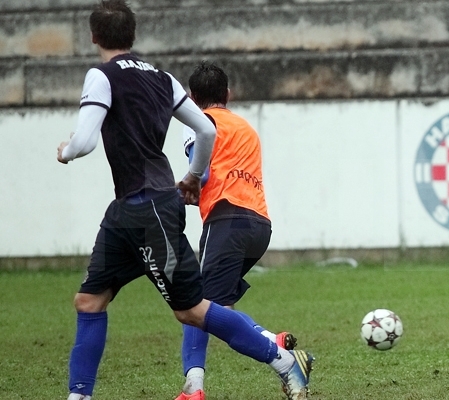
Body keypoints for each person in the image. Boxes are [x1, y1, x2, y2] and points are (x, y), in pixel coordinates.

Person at [56, 1, 312, 399]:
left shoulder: (101, 75)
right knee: (89, 300)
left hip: (150, 207)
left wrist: (65, 150)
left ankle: (280, 359)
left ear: (93, 36)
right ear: (133, 35)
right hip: (127, 210)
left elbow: (85, 141)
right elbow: (204, 133)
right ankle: (79, 395)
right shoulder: (163, 78)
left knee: (192, 309)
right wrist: (194, 177)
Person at [174, 62, 301, 400]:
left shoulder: (199, 122)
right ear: (228, 95)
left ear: (192, 97)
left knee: (194, 305)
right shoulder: (245, 128)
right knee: (219, 310)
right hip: (259, 225)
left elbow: (199, 176)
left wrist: (173, 193)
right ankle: (271, 339)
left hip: (226, 219)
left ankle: (194, 388)